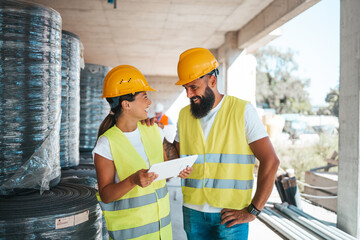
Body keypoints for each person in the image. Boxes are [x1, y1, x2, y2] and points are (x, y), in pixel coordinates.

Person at [165, 48, 280, 240]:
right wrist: (155, 135)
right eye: (185, 88)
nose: (188, 94)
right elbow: (177, 158)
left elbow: (270, 161)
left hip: (231, 214)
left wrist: (253, 210)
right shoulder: (185, 115)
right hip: (192, 211)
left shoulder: (242, 111)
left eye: (193, 87)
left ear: (212, 80)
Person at [93, 65, 192, 240]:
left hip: (163, 233)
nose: (149, 102)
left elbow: (164, 172)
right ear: (126, 104)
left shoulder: (153, 130)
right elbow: (106, 195)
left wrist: (179, 169)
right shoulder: (106, 143)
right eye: (145, 97)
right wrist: (132, 180)